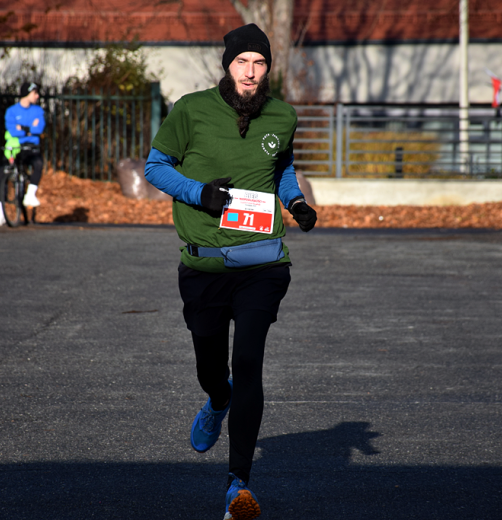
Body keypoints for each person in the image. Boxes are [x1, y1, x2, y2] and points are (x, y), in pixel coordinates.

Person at [144, 23, 317, 520]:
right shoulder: (191, 109)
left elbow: (280, 167)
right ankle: (216, 401)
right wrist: (201, 193)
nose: (251, 72)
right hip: (204, 264)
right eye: (242, 62)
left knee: (249, 363)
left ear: (268, 69)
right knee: (212, 370)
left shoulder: (282, 115)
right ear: (228, 65)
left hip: (263, 262)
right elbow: (156, 166)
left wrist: (297, 201)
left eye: (259, 64)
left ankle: (237, 486)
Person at [0, 82, 46, 226]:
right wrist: (29, 129)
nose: (37, 96)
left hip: (31, 146)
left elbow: (39, 128)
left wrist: (22, 128)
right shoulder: (11, 111)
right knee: (3, 172)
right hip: (15, 146)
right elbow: (12, 130)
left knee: (38, 163)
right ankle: (0, 212)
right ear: (27, 94)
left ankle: (30, 194)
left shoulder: (38, 111)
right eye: (35, 93)